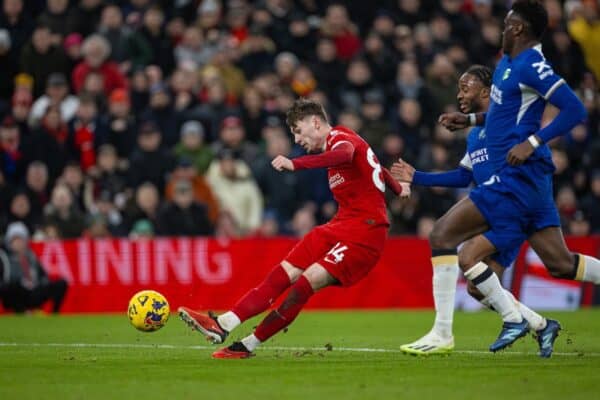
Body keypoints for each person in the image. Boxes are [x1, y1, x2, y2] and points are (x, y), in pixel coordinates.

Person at [395, 0, 599, 354]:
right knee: (560, 264)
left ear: (518, 29)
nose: (501, 29)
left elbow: (575, 109)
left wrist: (533, 142)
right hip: (525, 183)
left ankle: (446, 332)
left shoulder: (533, 65)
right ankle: (532, 322)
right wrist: (472, 121)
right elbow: (503, 117)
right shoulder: (507, 64)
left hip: (516, 177)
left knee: (446, 237)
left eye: (507, 23)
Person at [178, 98, 406, 358]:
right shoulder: (348, 139)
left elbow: (347, 154)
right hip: (339, 226)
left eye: (298, 131)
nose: (297, 140)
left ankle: (248, 345)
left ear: (315, 122)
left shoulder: (340, 140)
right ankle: (223, 323)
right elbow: (372, 160)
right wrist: (400, 188)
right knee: (283, 273)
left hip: (365, 233)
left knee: (305, 283)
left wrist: (295, 163)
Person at [394, 65, 557, 357]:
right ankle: (541, 324)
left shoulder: (507, 124)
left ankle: (445, 331)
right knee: (477, 289)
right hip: (496, 210)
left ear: (486, 91)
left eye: (465, 87)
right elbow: (462, 176)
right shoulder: (474, 136)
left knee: (454, 246)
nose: (459, 94)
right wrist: (417, 177)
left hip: (509, 207)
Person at [0, 222, 67, 313]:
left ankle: (55, 312)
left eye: (21, 239)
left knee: (61, 283)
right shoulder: (3, 257)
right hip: (17, 293)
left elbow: (43, 276)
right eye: (15, 240)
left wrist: (42, 284)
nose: (19, 243)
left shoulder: (31, 256)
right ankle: (21, 311)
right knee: (11, 287)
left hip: (32, 290)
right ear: (9, 241)